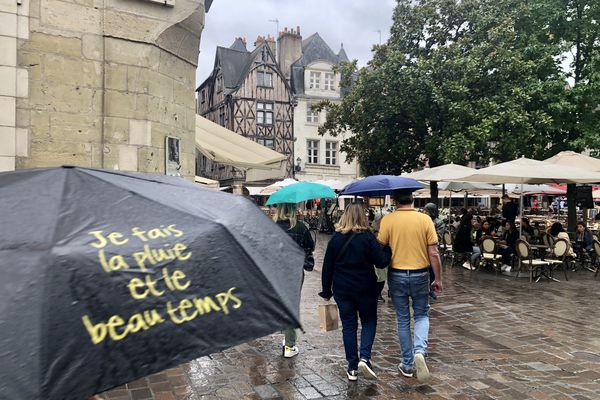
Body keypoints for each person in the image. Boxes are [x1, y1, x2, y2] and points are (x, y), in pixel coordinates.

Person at [377, 189, 443, 383]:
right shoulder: (425, 220)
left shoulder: (388, 220)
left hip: (396, 273)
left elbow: (379, 248)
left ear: (396, 201)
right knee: (422, 314)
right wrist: (437, 278)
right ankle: (420, 351)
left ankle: (406, 363)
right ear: (413, 199)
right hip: (421, 273)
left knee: (403, 319)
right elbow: (434, 253)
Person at [319, 203, 391, 381]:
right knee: (369, 321)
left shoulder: (336, 239)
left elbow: (327, 267)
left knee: (349, 326)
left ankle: (352, 367)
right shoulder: (367, 237)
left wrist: (326, 290)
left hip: (342, 289)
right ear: (363, 217)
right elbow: (381, 262)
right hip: (365, 287)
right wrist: (388, 248)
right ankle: (365, 357)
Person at [273, 202, 315, 358]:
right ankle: (290, 345)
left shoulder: (273, 226)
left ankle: (287, 336)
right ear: (292, 209)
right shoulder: (300, 227)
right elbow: (310, 246)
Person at [423, 203, 444, 300]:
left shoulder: (438, 222)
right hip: (422, 249)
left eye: (427, 211)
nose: (425, 212)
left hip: (431, 248)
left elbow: (438, 237)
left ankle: (430, 289)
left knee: (432, 270)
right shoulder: (422, 221)